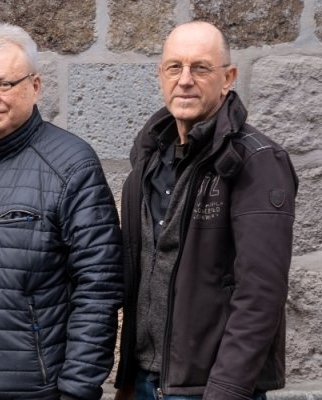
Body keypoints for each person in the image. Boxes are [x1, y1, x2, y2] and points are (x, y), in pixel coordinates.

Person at [0, 23, 123, 399]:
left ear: (35, 86)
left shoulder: (72, 165)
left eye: (4, 84)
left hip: (33, 390)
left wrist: (77, 391)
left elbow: (98, 289)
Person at [114, 21, 297, 400]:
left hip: (210, 389)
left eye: (200, 68)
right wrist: (128, 380)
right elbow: (142, 278)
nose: (184, 80)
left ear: (228, 78)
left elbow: (260, 295)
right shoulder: (147, 164)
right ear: (160, 76)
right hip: (147, 383)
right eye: (174, 67)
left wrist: (227, 391)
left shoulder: (257, 161)